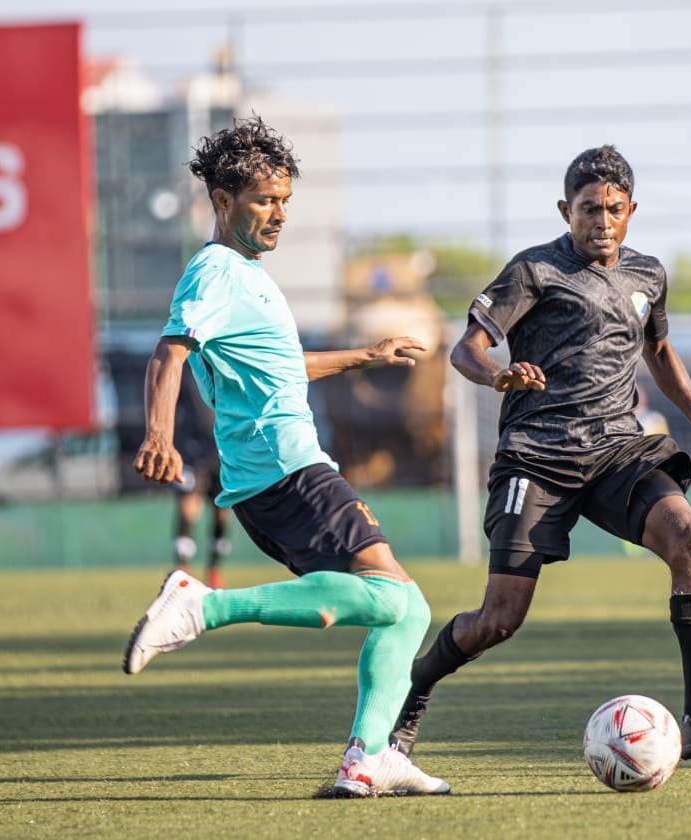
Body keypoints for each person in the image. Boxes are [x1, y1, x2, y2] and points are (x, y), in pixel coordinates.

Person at [390, 145, 691, 763]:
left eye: (614, 209)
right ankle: (415, 686)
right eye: (589, 209)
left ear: (631, 210)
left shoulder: (649, 275)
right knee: (500, 618)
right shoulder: (534, 271)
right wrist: (498, 375)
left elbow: (659, 353)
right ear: (566, 210)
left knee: (689, 539)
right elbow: (466, 349)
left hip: (617, 450)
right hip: (537, 456)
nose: (602, 221)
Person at [122, 115, 449, 798]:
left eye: (285, 201)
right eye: (264, 200)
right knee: (394, 598)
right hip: (288, 469)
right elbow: (169, 351)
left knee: (407, 609)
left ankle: (370, 756)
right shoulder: (216, 272)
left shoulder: (243, 274)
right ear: (222, 201)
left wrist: (365, 355)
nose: (279, 214)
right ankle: (203, 606)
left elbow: (281, 366)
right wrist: (158, 434)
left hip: (274, 476)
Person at [171, 371, 231, 588]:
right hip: (191, 452)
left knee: (221, 513)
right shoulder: (185, 366)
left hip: (222, 452)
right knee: (188, 508)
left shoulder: (227, 366)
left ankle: (214, 569)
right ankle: (182, 569)